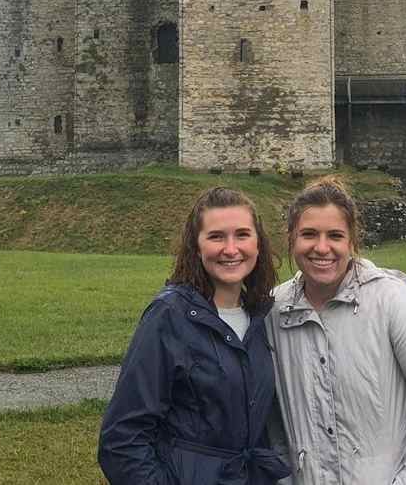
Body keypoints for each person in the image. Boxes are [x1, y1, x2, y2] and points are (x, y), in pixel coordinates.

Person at [266, 177, 406, 485]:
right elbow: (273, 424)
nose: (322, 247)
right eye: (308, 234)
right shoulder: (273, 311)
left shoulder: (391, 300)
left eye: (335, 235)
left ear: (351, 241)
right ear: (291, 239)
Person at [99, 187, 291, 485]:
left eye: (242, 235)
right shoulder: (169, 316)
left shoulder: (261, 315)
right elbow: (122, 439)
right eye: (216, 237)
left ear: (258, 244)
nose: (230, 249)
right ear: (197, 246)